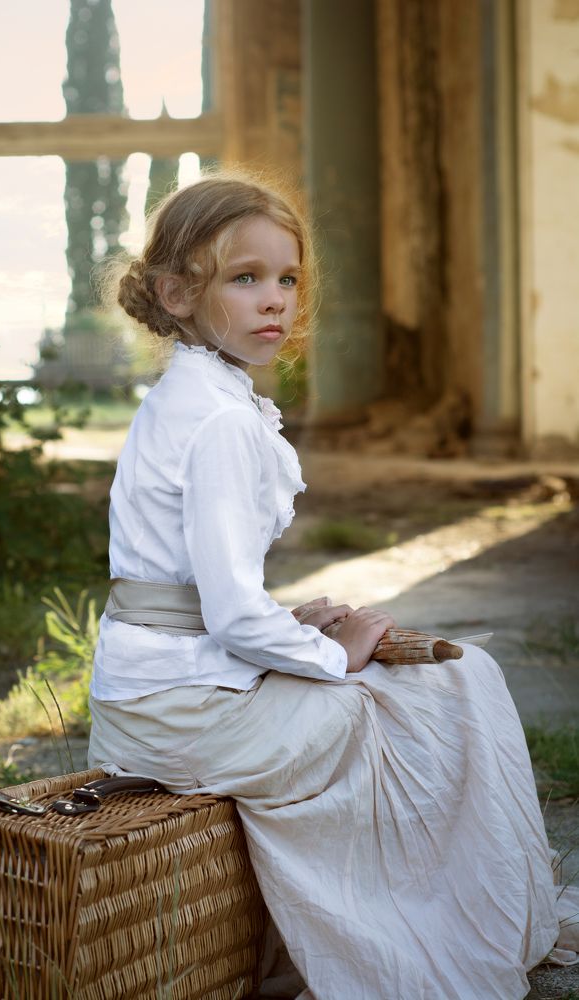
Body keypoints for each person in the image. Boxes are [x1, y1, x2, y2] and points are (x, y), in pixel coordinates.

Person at [87, 172, 578, 999]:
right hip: (179, 715)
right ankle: (433, 932)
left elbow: (194, 590)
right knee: (445, 696)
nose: (274, 300)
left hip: (152, 690)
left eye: (286, 278)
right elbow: (233, 614)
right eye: (245, 278)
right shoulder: (222, 423)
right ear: (175, 292)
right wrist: (331, 653)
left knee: (447, 682)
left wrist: (291, 621)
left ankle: (464, 911)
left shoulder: (187, 396)